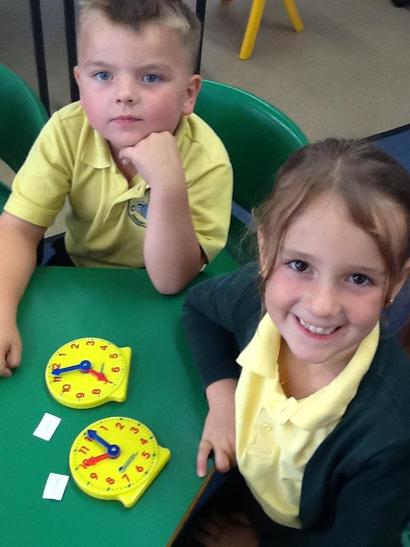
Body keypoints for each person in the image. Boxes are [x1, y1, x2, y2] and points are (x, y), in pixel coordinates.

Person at [181, 138, 410, 546]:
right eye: (300, 265)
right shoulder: (255, 299)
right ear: (265, 251)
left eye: (359, 278)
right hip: (243, 490)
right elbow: (200, 311)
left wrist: (260, 544)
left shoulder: (392, 433)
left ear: (395, 282)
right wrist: (222, 398)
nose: (321, 306)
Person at [0, 0, 233, 378]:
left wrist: (167, 185)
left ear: (189, 94)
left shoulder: (207, 161)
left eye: (151, 77)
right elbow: (17, 230)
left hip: (164, 293)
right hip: (82, 275)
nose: (124, 94)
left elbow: (170, 281)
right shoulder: (67, 131)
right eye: (103, 75)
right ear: (80, 83)